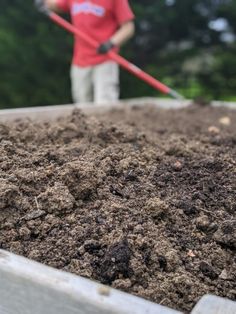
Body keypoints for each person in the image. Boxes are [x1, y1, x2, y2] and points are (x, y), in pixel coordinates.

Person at [36, 0, 135, 104]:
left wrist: (111, 43)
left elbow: (128, 28)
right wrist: (43, 3)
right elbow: (56, 5)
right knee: (81, 105)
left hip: (105, 60)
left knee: (105, 103)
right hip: (80, 60)